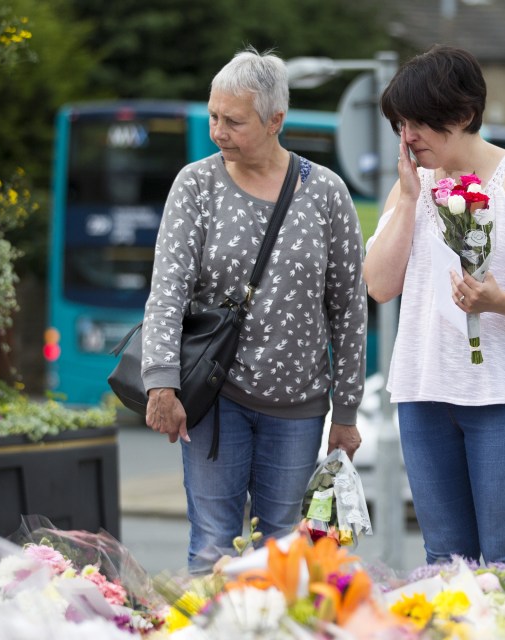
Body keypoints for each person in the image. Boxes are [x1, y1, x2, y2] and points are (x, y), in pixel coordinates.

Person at [141, 48, 367, 574]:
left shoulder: (327, 193)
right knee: (213, 545)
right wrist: (161, 384)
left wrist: (348, 411)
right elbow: (167, 291)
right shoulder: (195, 185)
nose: (218, 130)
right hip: (214, 398)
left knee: (282, 550)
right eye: (214, 115)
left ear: (275, 121)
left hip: (299, 406)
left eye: (233, 121)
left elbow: (348, 309)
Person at [363, 45, 505, 573]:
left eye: (419, 124)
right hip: (425, 391)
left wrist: (499, 300)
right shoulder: (411, 187)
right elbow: (379, 285)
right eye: (401, 124)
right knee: (444, 562)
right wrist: (411, 199)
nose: (407, 137)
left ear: (461, 116)